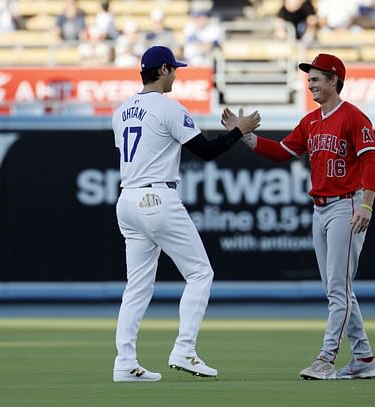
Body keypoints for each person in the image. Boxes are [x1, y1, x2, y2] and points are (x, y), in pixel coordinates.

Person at [221, 53, 375, 381]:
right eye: (309, 80)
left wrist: (366, 204)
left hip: (346, 206)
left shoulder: (353, 117)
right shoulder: (311, 121)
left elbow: (371, 162)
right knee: (337, 289)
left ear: (334, 80)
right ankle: (364, 358)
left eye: (317, 79)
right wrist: (242, 135)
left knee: (338, 288)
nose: (311, 84)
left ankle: (326, 358)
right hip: (320, 208)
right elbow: (282, 151)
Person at [111, 46, 260, 382]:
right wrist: (240, 130)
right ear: (163, 70)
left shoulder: (120, 111)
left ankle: (124, 361)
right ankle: (184, 349)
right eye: (173, 69)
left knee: (136, 286)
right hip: (157, 197)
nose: (176, 74)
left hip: (127, 199)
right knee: (200, 273)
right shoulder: (168, 108)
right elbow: (206, 152)